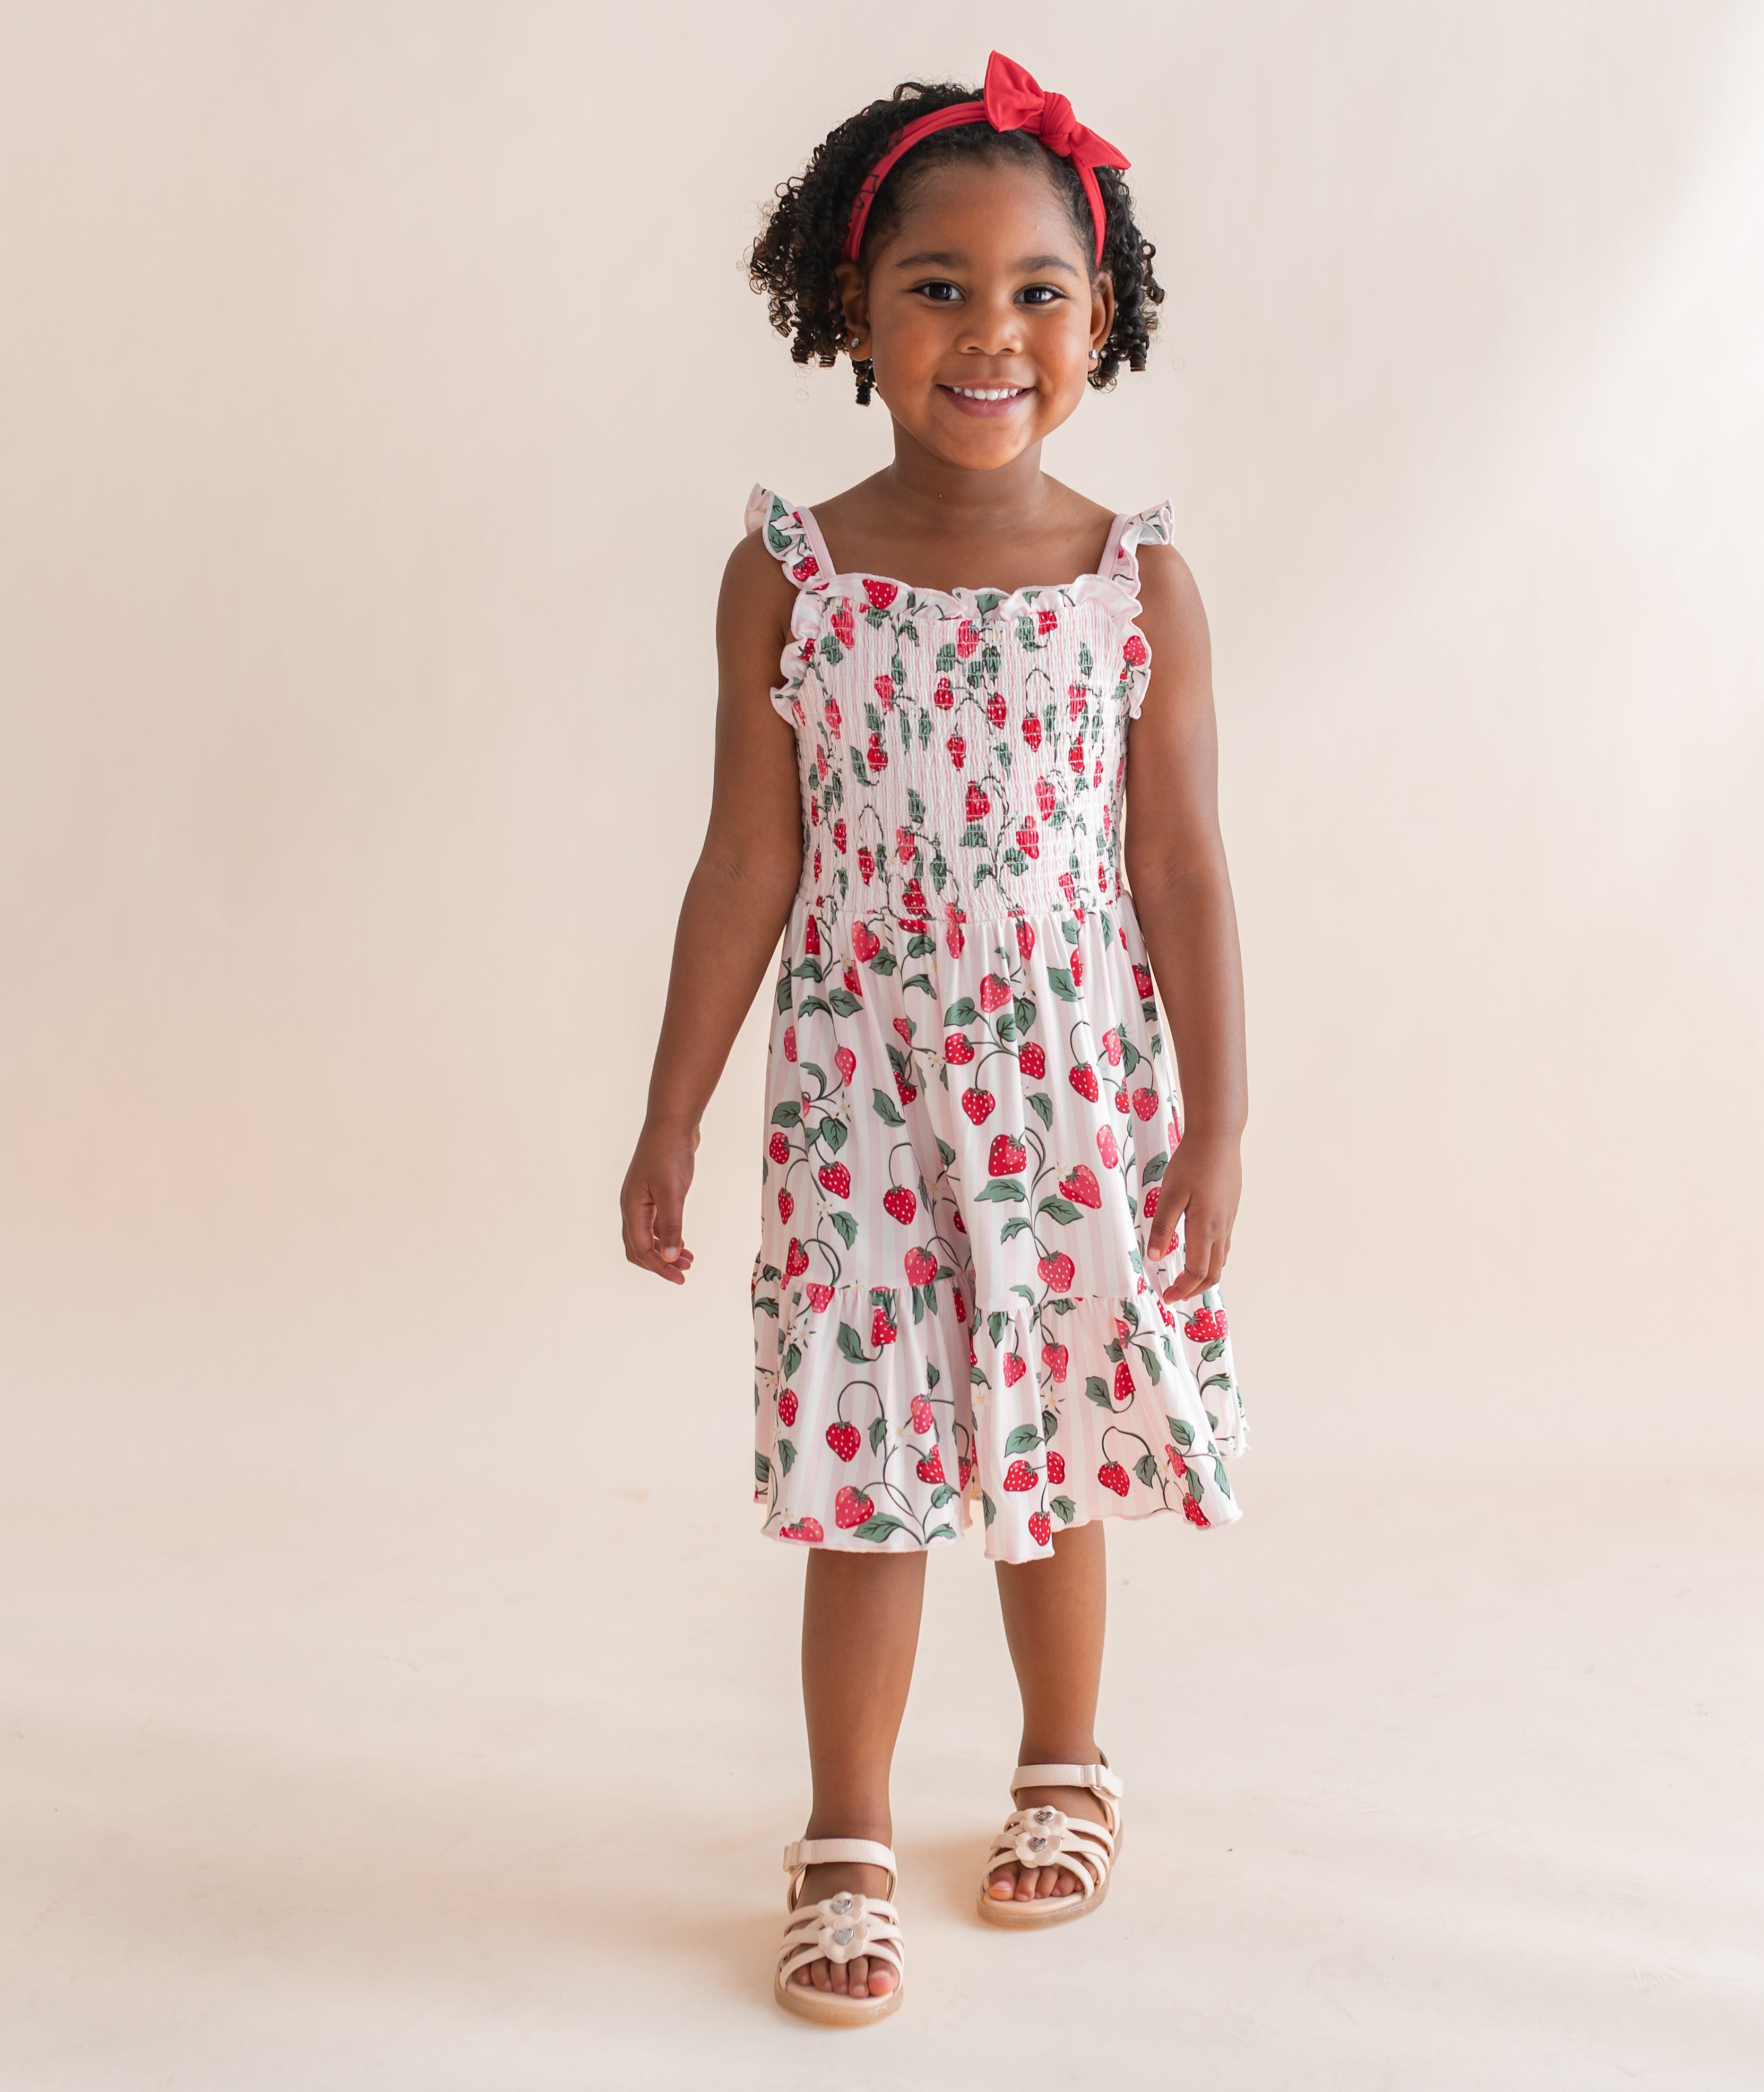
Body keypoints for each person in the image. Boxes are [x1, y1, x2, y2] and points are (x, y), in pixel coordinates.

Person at [619, 52, 1248, 2027]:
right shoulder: (792, 578)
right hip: (862, 1112)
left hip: (1068, 1106)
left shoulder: (1137, 585)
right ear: (852, 307)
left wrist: (1216, 1134)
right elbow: (743, 865)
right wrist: (669, 1119)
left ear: (1105, 314)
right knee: (865, 1473)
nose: (993, 332)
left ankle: (1067, 1762)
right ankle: (846, 1838)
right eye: (939, 287)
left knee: (1051, 1460)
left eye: (1041, 290)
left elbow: (1186, 873)